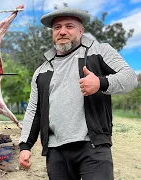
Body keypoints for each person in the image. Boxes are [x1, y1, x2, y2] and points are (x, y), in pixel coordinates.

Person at [18, 7, 138, 180]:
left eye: (69, 26)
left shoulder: (99, 52)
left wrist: (100, 83)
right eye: (57, 27)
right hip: (56, 151)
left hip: (93, 147)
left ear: (81, 31)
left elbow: (130, 78)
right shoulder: (41, 71)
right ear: (53, 32)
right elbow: (33, 110)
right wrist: (25, 146)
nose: (63, 31)